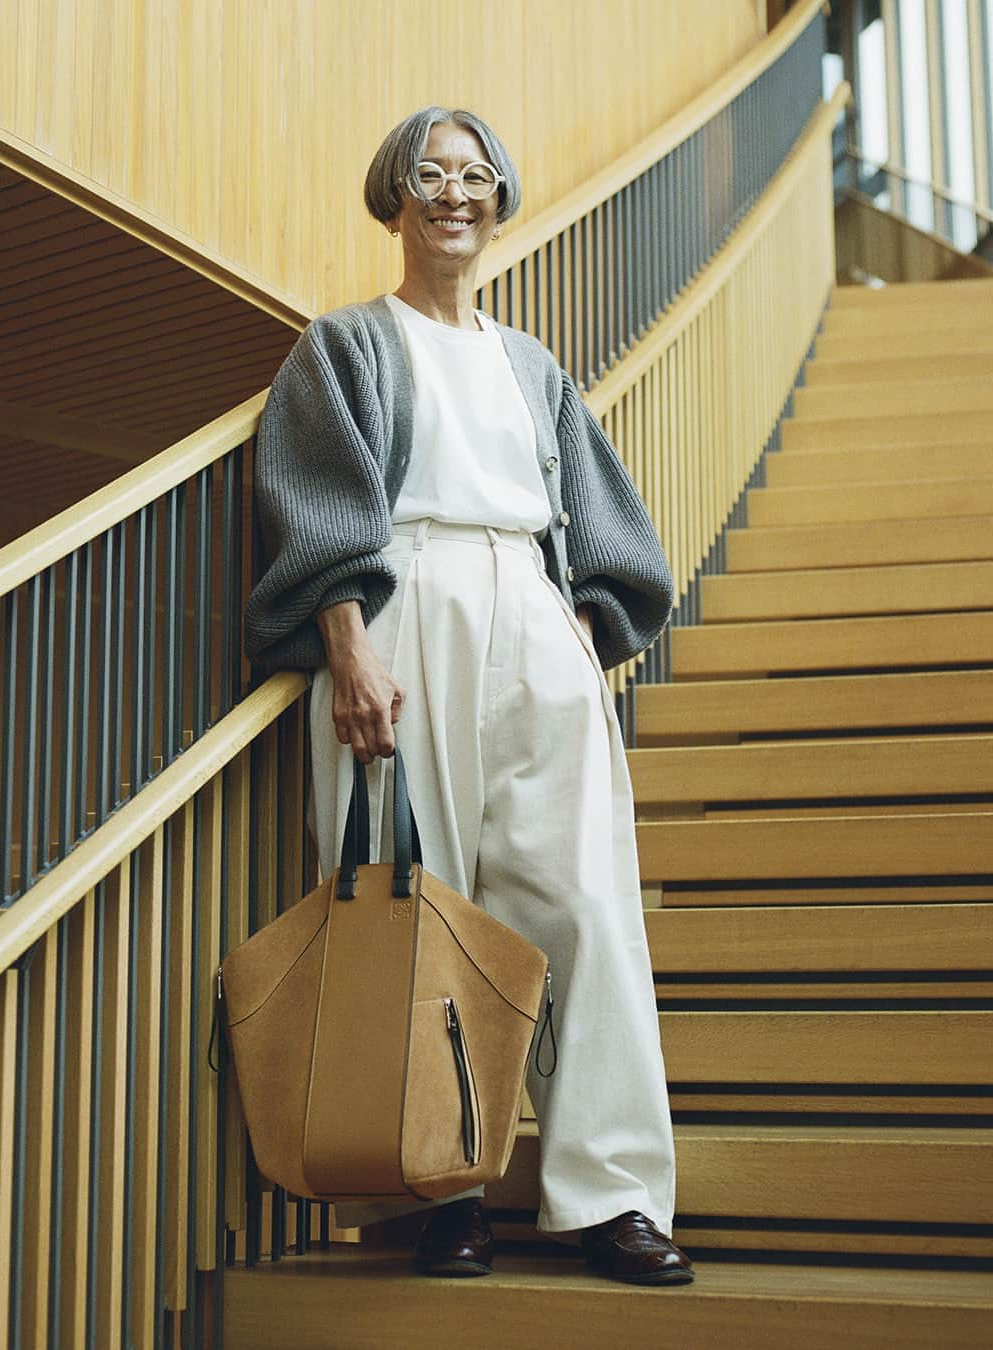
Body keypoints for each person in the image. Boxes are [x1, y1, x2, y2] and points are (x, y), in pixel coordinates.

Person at [244, 106, 692, 1286]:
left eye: (475, 175)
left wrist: (573, 633)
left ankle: (613, 1196)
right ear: (394, 194)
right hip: (401, 611)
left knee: (588, 904)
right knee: (420, 895)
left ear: (498, 200)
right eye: (431, 174)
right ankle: (444, 1188)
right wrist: (346, 644)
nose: (455, 192)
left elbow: (605, 526)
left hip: (534, 611)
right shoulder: (342, 347)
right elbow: (316, 505)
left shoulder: (532, 366)